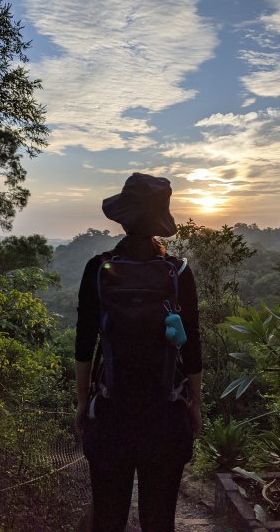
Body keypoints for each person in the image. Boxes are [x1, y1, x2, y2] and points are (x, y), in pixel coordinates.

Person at [75, 173, 202, 532]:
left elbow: (84, 343)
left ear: (122, 216)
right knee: (159, 521)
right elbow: (192, 344)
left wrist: (83, 403)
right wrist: (194, 405)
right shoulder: (177, 272)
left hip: (111, 416)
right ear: (161, 221)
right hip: (166, 418)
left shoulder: (99, 269)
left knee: (109, 518)